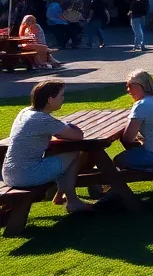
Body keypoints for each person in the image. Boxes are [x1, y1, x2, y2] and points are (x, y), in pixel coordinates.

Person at [3, 81, 91, 213]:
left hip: (10, 173)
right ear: (50, 99)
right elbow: (78, 135)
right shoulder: (42, 119)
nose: (63, 99)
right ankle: (72, 201)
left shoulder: (26, 112)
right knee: (74, 153)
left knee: (55, 154)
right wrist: (68, 125)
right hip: (26, 175)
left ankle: (60, 195)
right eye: (61, 95)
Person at [114, 70, 153, 169]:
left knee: (118, 160)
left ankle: (114, 184)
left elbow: (128, 138)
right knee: (133, 151)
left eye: (131, 86)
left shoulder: (142, 105)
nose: (128, 90)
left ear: (142, 86)